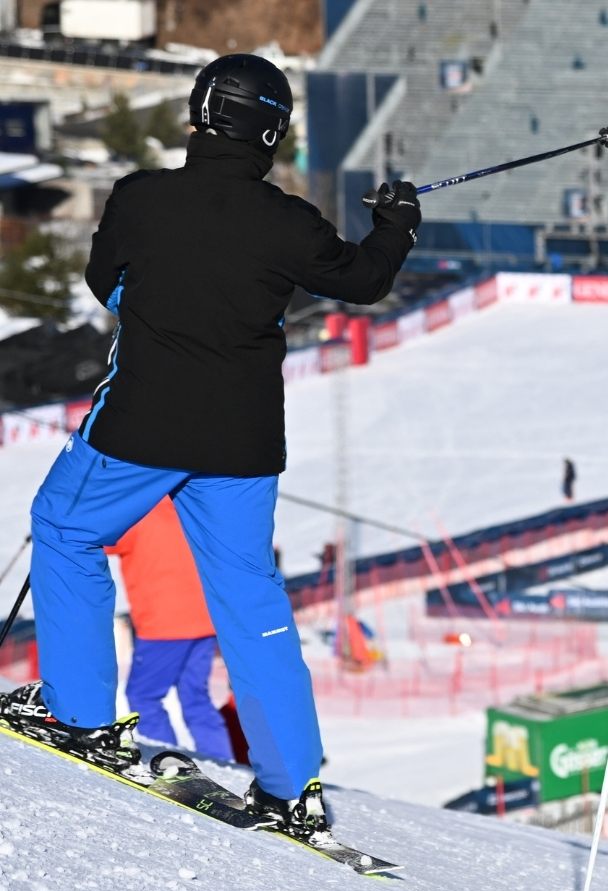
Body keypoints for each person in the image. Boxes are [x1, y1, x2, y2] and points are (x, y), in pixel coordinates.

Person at [0, 54, 420, 840]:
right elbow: (363, 281)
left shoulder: (141, 199)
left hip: (142, 426)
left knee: (63, 528)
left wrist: (160, 305)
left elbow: (104, 281)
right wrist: (395, 223)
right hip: (242, 444)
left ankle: (79, 712)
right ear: (271, 133)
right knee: (249, 596)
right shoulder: (286, 222)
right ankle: (291, 783)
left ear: (198, 115)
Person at [105, 496, 233, 761]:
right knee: (196, 696)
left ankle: (165, 758)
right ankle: (221, 760)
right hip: (205, 619)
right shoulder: (194, 505)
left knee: (143, 696)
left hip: (163, 626)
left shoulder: (136, 513)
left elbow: (94, 538)